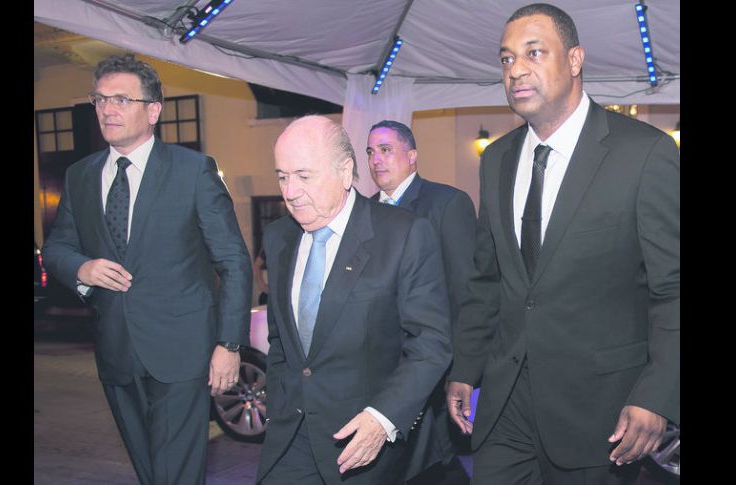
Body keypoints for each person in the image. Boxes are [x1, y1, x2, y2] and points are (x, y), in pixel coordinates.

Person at [446, 4, 680, 484]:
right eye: (507, 58)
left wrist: (658, 396)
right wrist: (465, 367)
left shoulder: (644, 153)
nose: (516, 69)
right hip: (505, 407)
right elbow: (488, 280)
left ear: (575, 60)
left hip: (600, 412)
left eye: (534, 53)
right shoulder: (497, 160)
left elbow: (673, 290)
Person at [42, 54, 253, 485]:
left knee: (176, 473)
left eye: (121, 99)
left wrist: (229, 344)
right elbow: (56, 247)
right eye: (100, 99)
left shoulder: (193, 171)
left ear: (153, 110)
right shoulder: (81, 175)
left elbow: (233, 260)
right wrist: (82, 268)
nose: (107, 109)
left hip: (182, 351)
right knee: (151, 472)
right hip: (115, 351)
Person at [255, 115, 452, 485]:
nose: (290, 192)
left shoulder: (403, 234)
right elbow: (281, 340)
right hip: (290, 440)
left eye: (304, 176)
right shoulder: (279, 237)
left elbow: (430, 344)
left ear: (345, 172)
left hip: (367, 443)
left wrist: (383, 418)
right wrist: (279, 405)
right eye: (282, 177)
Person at [366, 120, 475, 485]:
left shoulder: (447, 203)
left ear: (412, 155)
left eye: (386, 149)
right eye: (370, 152)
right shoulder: (364, 211)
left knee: (436, 459)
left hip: (434, 361)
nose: (376, 159)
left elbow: (465, 291)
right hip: (383, 365)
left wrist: (461, 370)